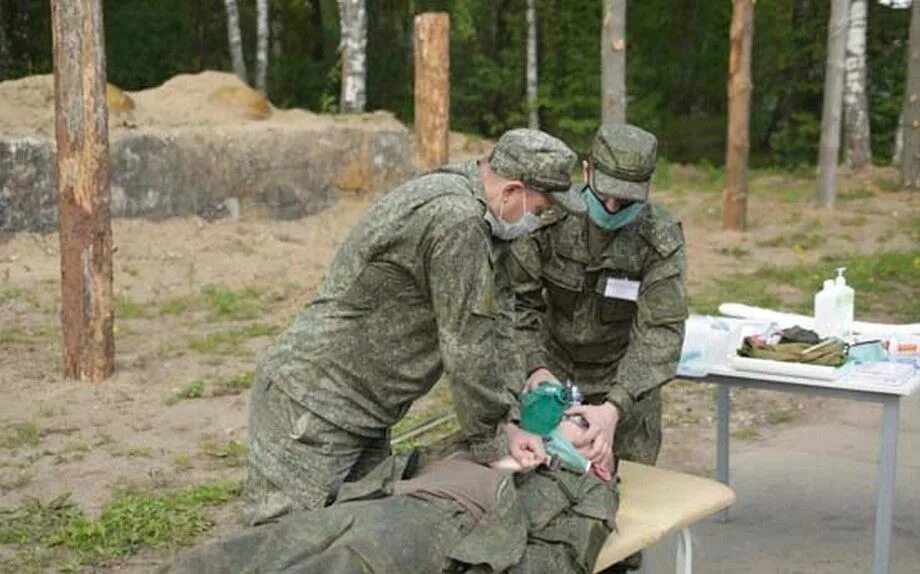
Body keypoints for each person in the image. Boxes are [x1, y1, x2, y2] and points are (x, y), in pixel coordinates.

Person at [244, 129, 579, 525]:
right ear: (511, 191)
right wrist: (494, 441)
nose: (534, 223)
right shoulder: (458, 223)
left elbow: (499, 321)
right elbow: (467, 345)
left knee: (349, 535)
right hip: (315, 403)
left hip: (363, 406)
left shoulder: (476, 204)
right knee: (286, 543)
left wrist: (511, 413)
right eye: (537, 210)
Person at [506, 123, 687, 570]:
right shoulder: (548, 221)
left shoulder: (658, 239)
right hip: (548, 378)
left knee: (619, 526)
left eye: (624, 200)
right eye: (603, 193)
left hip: (622, 387)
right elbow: (518, 307)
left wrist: (615, 407)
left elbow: (660, 333)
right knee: (538, 505)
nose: (610, 207)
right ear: (586, 170)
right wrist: (534, 371)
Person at [162, 416, 618, 574]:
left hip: (434, 521)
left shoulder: (575, 484)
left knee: (338, 565)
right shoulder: (498, 437)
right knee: (260, 545)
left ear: (595, 454)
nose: (564, 417)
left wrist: (599, 475)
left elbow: (571, 547)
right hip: (383, 496)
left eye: (578, 420)